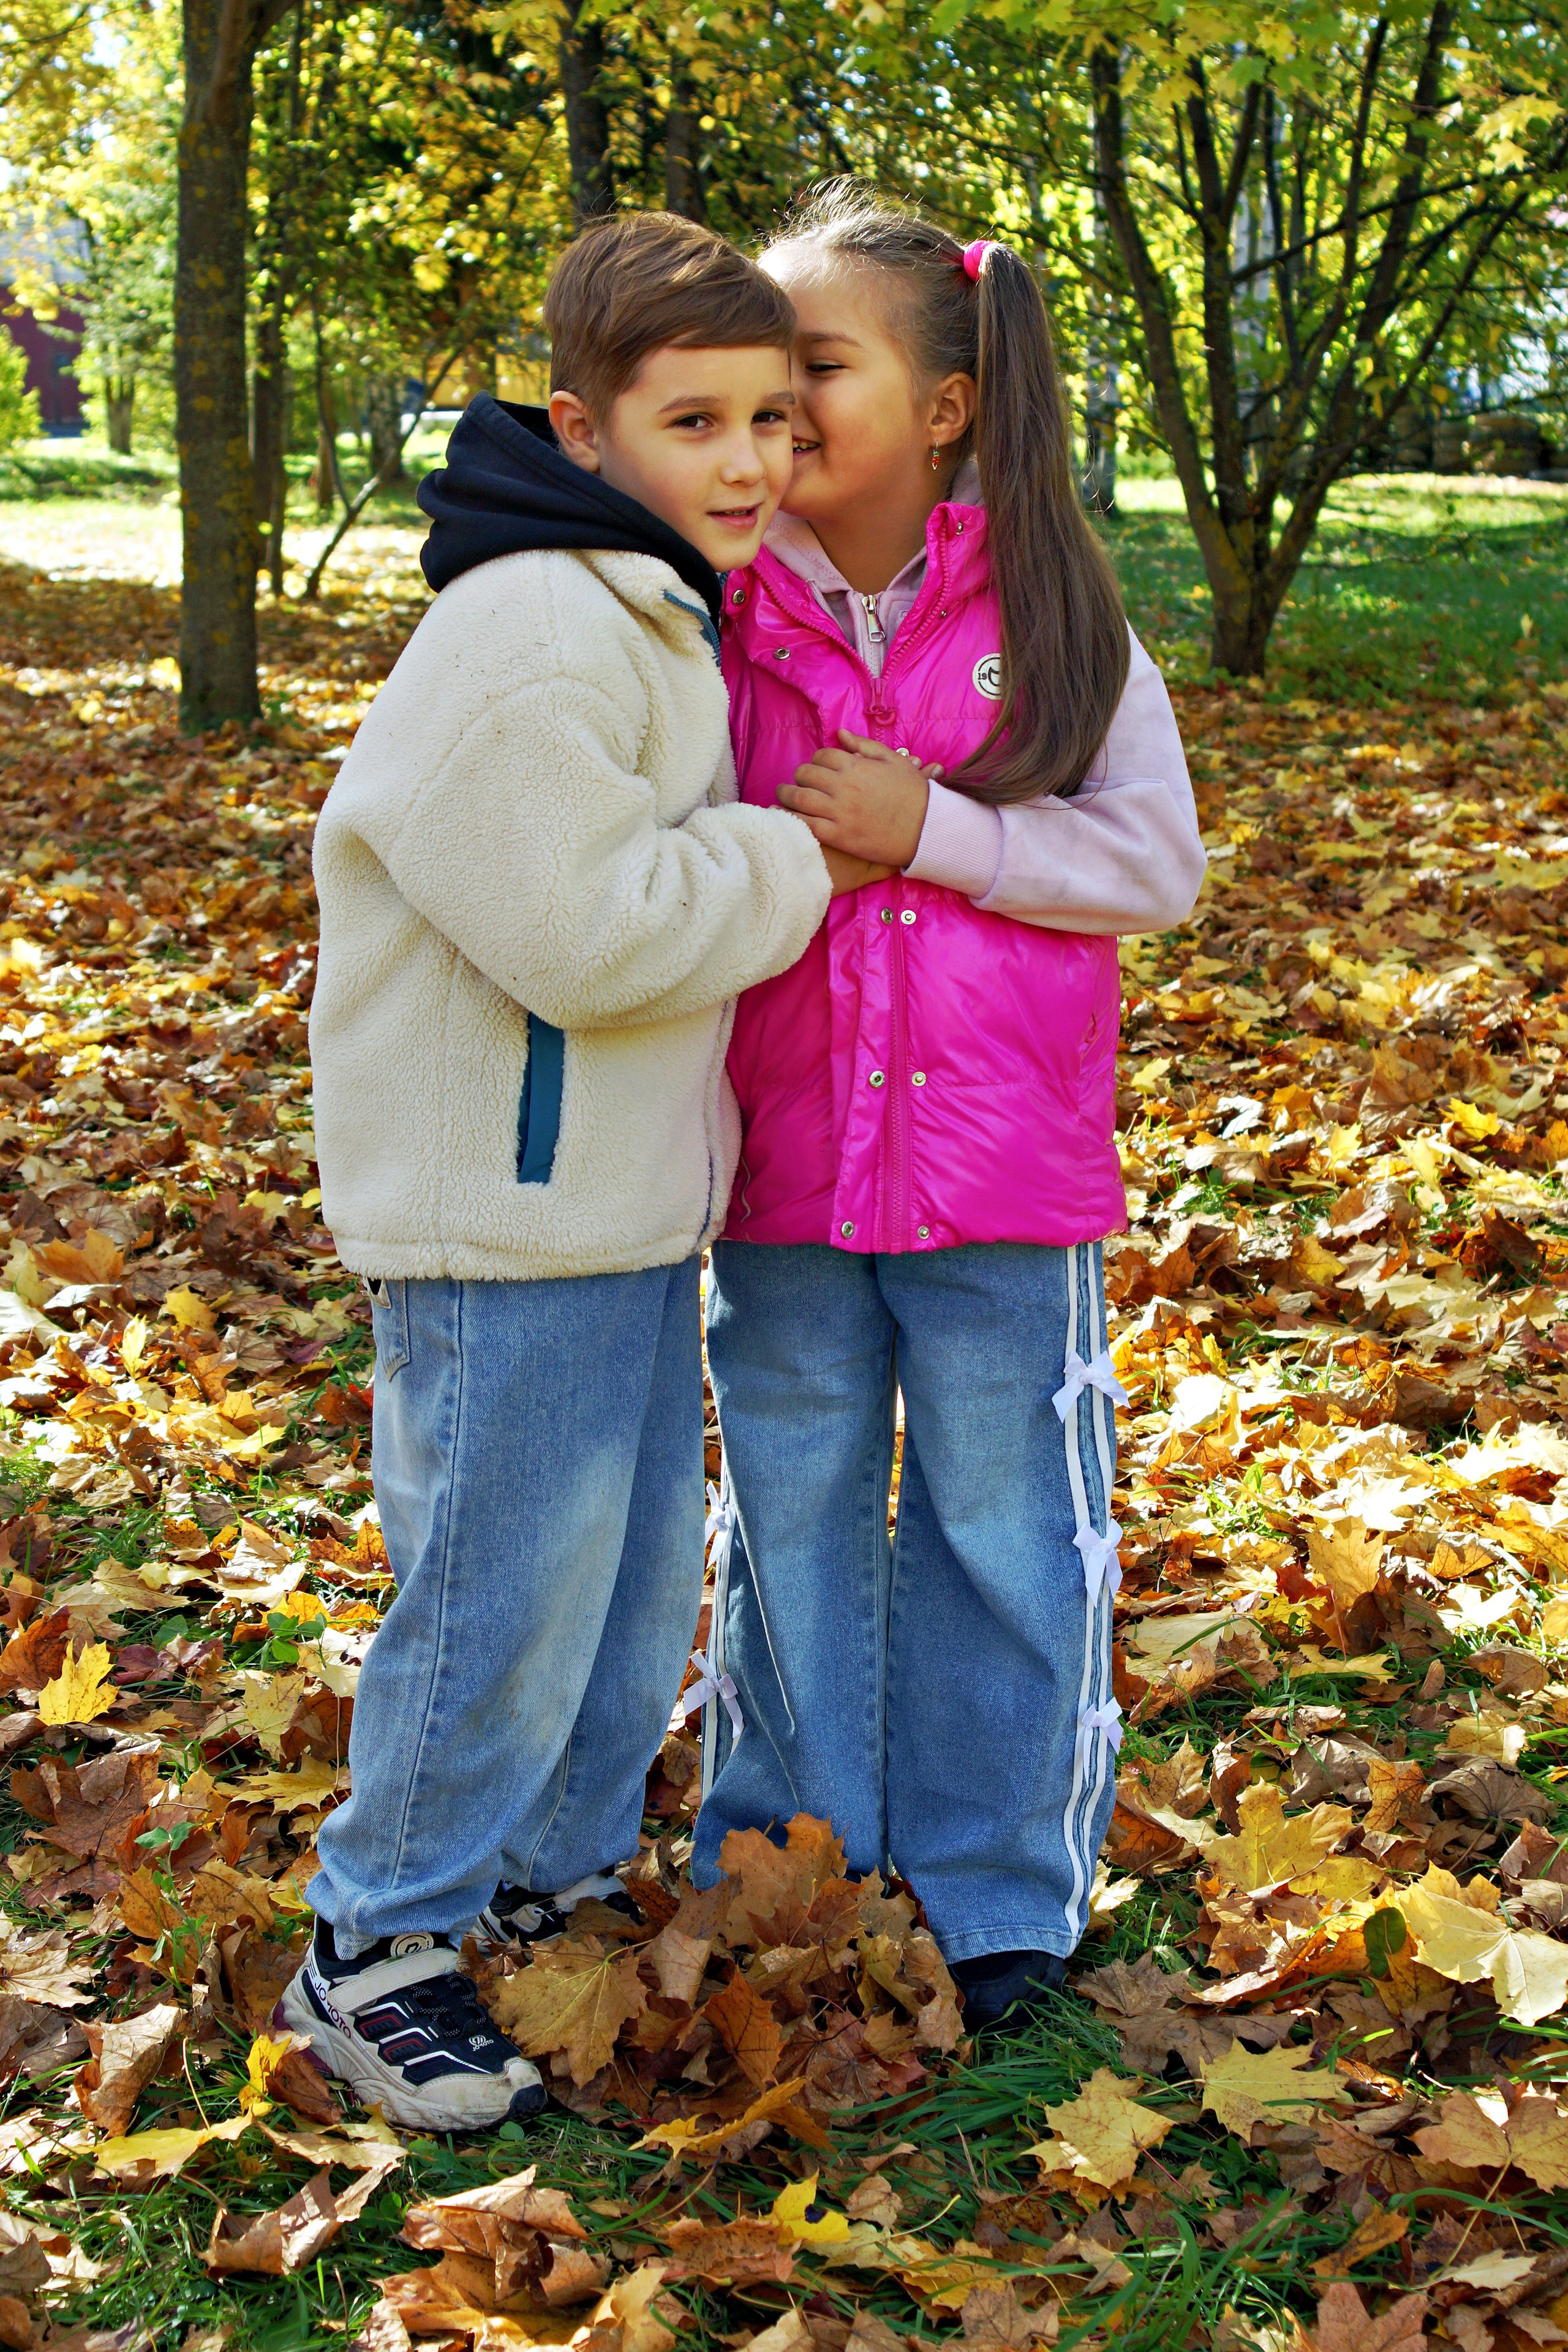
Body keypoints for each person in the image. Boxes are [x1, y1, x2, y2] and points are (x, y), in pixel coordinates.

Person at [287, 212, 854, 2132]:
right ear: (584, 427)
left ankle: (522, 1876)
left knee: (614, 1585)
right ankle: (375, 1938)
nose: (750, 463)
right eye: (695, 419)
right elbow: (584, 929)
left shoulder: (641, 601)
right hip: (501, 1215)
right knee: (499, 1587)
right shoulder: (532, 624)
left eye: (776, 418)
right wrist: (796, 862)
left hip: (606, 1207)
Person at [690, 181, 1207, 2030]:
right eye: (760, 371)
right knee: (794, 1514)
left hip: (1005, 1172)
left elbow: (1156, 859)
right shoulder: (723, 614)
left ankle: (999, 1900)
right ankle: (790, 1858)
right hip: (787, 1164)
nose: (780, 404)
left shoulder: (1047, 617)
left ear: (949, 405)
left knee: (1005, 1524)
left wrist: (943, 834)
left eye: (817, 364)